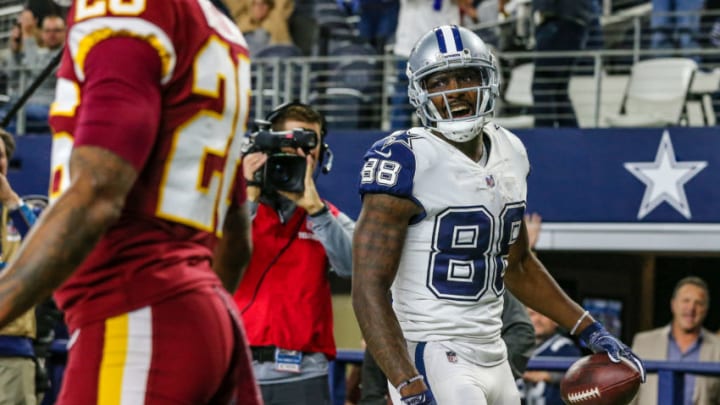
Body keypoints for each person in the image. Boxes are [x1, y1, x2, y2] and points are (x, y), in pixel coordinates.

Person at [352, 24, 645, 405]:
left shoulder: (511, 150)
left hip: (494, 350)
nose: (455, 91)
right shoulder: (403, 159)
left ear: (487, 79)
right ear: (419, 92)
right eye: (439, 82)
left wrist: (589, 329)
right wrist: (407, 383)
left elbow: (517, 264)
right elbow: (367, 288)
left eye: (466, 76)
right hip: (433, 350)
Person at [0, 1, 262, 403]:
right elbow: (236, 241)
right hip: (196, 316)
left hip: (134, 313)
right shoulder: (216, 23)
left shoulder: (130, 8)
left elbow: (97, 193)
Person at [233, 101, 354, 405]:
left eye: (308, 145)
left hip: (304, 374)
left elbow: (354, 267)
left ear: (321, 155)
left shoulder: (329, 217)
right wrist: (246, 197)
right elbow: (213, 261)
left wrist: (316, 210)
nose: (299, 155)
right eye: (288, 144)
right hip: (235, 368)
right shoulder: (231, 211)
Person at [0, 129, 43, 405]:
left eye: (0, 156)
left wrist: (11, 201)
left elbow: (48, 251)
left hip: (12, 355)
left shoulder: (24, 211)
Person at [630, 276, 720, 405]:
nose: (691, 308)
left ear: (705, 310)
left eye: (698, 303)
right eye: (686, 301)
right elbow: (631, 396)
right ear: (673, 304)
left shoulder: (718, 348)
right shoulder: (643, 343)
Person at [531, 0, 594, 127]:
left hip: (559, 21)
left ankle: (544, 140)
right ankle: (570, 139)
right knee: (558, 90)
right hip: (573, 23)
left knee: (543, 86)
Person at [518, 307, 582, 405]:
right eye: (532, 314)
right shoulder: (516, 348)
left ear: (555, 320)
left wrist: (547, 376)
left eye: (544, 314)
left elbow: (580, 379)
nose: (537, 319)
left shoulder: (565, 347)